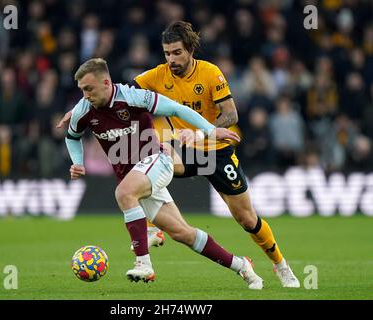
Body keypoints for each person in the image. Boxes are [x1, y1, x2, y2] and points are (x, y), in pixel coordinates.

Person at [58, 21, 300, 288]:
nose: (170, 59)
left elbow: (230, 115)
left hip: (215, 152)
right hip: (180, 150)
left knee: (247, 219)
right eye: (166, 53)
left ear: (190, 50)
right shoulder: (156, 76)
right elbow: (117, 92)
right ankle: (152, 227)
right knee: (151, 161)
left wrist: (201, 133)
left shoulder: (210, 73)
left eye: (176, 53)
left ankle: (281, 265)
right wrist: (79, 108)